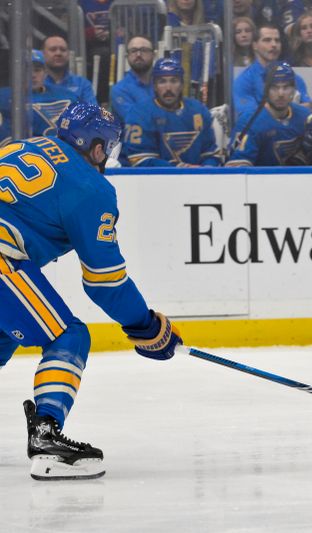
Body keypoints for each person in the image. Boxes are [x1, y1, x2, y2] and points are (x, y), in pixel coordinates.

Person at [0, 102, 183, 480]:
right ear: (98, 148)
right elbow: (105, 281)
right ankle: (47, 435)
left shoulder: (22, 145)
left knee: (3, 336)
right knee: (68, 336)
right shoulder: (91, 186)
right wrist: (145, 326)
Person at [227, 61, 312, 166]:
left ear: (294, 90)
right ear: (265, 89)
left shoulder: (306, 118)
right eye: (274, 87)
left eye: (286, 87)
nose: (280, 94)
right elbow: (236, 170)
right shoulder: (249, 122)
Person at [124, 58, 222, 167]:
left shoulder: (199, 110)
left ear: (181, 85)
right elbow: (141, 160)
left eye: (174, 81)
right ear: (155, 86)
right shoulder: (140, 113)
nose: (168, 88)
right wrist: (179, 170)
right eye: (162, 81)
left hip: (196, 180)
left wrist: (207, 170)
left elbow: (210, 153)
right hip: (154, 182)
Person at [233, 22, 312, 118]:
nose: (274, 45)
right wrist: (289, 109)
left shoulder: (292, 76)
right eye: (267, 40)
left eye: (277, 40)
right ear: (255, 45)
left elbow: (308, 106)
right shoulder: (244, 80)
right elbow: (249, 116)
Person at [110, 35, 156, 125]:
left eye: (144, 50)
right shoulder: (119, 90)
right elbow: (136, 119)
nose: (138, 55)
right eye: (133, 51)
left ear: (153, 55)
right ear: (127, 56)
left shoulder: (163, 83)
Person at [42, 35, 98, 105]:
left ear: (68, 54)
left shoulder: (82, 84)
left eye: (63, 50)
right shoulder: (36, 83)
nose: (58, 53)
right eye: (53, 49)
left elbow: (92, 113)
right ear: (43, 54)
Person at [78, 0, 113, 105]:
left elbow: (126, 26)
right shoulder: (81, 3)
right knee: (103, 55)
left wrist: (113, 32)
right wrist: (91, 33)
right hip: (89, 48)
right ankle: (101, 101)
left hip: (115, 46)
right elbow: (73, 30)